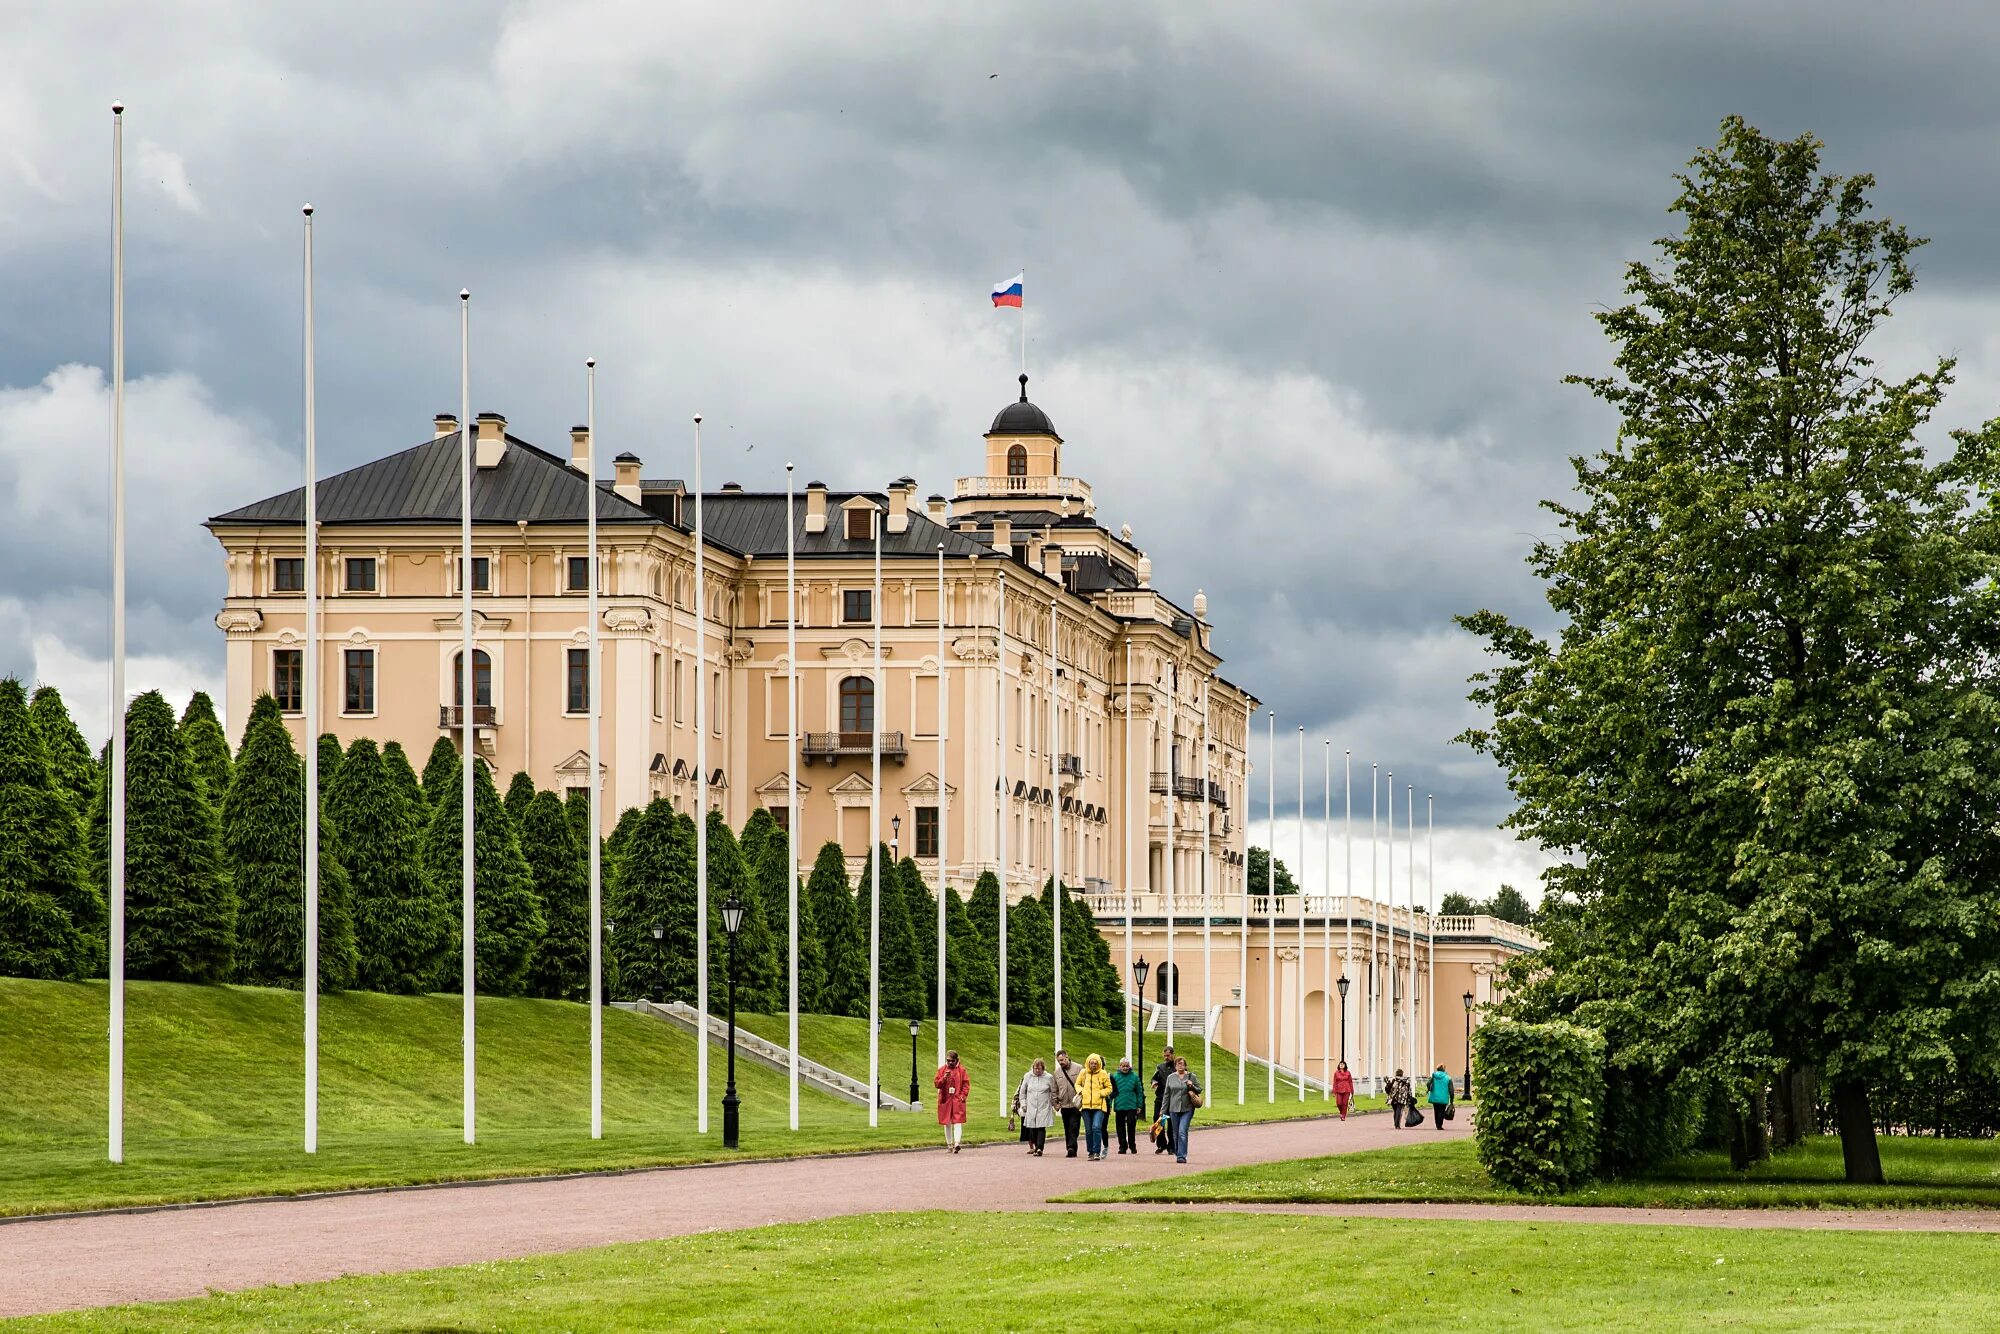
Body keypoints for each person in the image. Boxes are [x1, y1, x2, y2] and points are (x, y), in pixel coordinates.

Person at [1161, 1055, 1203, 1163]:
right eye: (1179, 1063)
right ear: (1175, 1066)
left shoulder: (1191, 1076)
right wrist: (1163, 1110)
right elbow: (1167, 1095)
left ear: (1185, 1066)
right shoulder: (1170, 1078)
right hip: (1173, 1109)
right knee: (1175, 1133)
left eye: (1183, 1064)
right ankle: (1178, 1152)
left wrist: (1192, 1085)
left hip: (1187, 1108)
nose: (1181, 1065)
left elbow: (1199, 1090)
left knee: (1182, 1132)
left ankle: (1181, 1156)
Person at [1013, 1059, 1055, 1156]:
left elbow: (1053, 1092)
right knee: (1033, 1127)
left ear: (1043, 1069)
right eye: (1035, 1069)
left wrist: (1054, 1103)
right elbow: (1022, 1092)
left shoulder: (1049, 1078)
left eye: (1039, 1069)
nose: (1037, 1071)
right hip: (1030, 1107)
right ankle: (1036, 1146)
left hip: (1043, 1106)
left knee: (1041, 1127)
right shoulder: (1027, 1076)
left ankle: (1039, 1148)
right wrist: (1023, 1104)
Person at [1075, 1053, 1113, 1160]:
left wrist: (1101, 1093)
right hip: (1086, 1106)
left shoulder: (1103, 1073)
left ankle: (1097, 1151)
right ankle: (1090, 1152)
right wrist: (1081, 1091)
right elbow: (1077, 1084)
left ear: (1098, 1064)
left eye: (1095, 1063)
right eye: (1091, 1063)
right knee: (1088, 1130)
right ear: (1088, 1063)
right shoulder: (1083, 1073)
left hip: (1099, 1106)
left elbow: (1109, 1088)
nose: (1093, 1065)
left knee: (1096, 1127)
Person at [933, 1050, 970, 1153]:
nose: (950, 1063)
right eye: (948, 1061)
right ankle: (949, 1145)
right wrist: (944, 1078)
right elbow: (937, 1084)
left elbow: (966, 1085)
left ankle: (957, 1143)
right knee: (947, 1122)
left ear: (956, 1060)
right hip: (946, 1100)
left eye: (952, 1061)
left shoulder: (962, 1071)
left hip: (957, 1100)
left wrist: (962, 1096)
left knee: (958, 1121)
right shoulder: (942, 1070)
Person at [1109, 1056, 1146, 1154]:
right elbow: (1111, 1092)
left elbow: (1139, 1091)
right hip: (1119, 1105)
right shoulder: (1115, 1077)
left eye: (1127, 1066)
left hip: (1131, 1106)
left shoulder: (1134, 1077)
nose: (1125, 1068)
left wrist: (1139, 1105)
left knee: (1131, 1125)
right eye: (1123, 1066)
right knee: (1120, 1127)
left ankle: (1132, 1145)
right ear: (1119, 1066)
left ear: (1129, 1066)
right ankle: (1122, 1146)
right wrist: (1109, 1105)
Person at [1051, 1050, 1083, 1158]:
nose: (1061, 1062)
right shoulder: (1057, 1073)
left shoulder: (1078, 1068)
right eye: (1059, 1061)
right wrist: (1055, 1103)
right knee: (1067, 1127)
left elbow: (1084, 1084)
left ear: (1067, 1057)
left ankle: (1071, 1147)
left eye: (1062, 1060)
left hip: (1076, 1104)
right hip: (1064, 1104)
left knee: (1074, 1126)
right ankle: (1070, 1148)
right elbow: (1054, 1089)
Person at [1150, 1044, 1178, 1154]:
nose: (1166, 1058)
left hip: (1173, 1100)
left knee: (1171, 1123)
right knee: (1158, 1120)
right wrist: (1154, 1082)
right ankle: (1162, 1144)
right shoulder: (1160, 1067)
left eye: (1168, 1055)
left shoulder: (1178, 1067)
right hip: (1161, 1099)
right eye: (1164, 1056)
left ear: (1173, 1055)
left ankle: (1172, 1146)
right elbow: (1154, 1078)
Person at [1428, 1063, 1455, 1130]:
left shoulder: (1433, 1076)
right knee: (1441, 1111)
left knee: (1436, 1111)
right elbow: (1451, 1090)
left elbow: (1428, 1083)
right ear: (1444, 1069)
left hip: (1434, 1096)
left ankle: (1437, 1124)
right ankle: (1439, 1125)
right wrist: (1451, 1100)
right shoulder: (1448, 1078)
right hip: (1444, 1097)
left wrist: (1429, 1089)